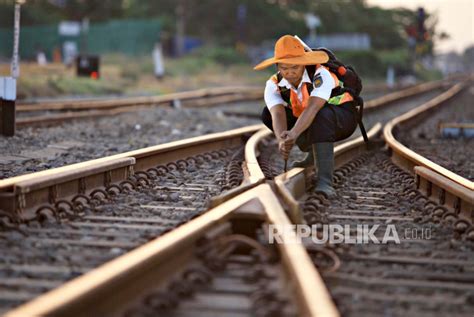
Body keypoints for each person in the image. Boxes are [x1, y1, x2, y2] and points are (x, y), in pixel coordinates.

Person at [254, 35, 358, 197]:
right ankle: (312, 153)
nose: (289, 73)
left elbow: (313, 107)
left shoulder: (320, 74)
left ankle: (325, 181)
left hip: (343, 119)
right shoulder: (273, 84)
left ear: (303, 63)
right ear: (277, 67)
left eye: (294, 67)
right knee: (266, 114)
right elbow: (277, 113)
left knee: (321, 115)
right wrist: (283, 140)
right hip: (314, 118)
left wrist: (294, 134)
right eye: (284, 68)